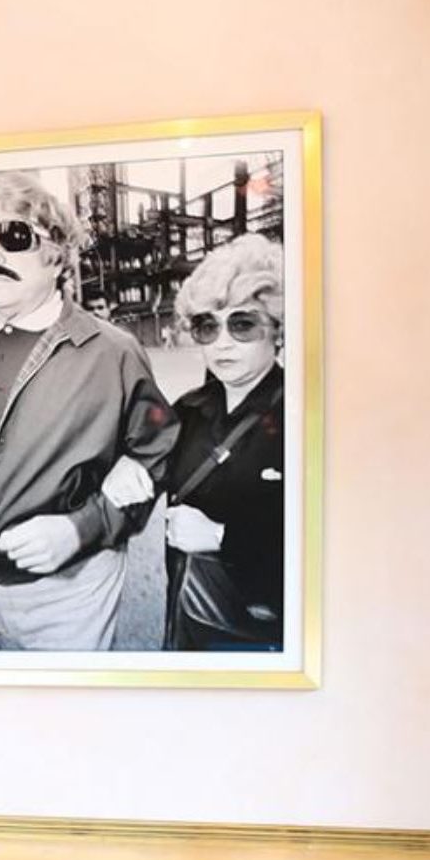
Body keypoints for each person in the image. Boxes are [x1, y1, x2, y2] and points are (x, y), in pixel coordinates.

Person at [0, 171, 177, 651]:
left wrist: (82, 529)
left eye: (14, 236)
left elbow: (157, 454)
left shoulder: (111, 352)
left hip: (70, 591)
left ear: (57, 256)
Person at [158, 233, 289, 653]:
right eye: (207, 326)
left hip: (269, 632)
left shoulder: (305, 415)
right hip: (190, 613)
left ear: (277, 331)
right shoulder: (187, 411)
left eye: (243, 323)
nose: (223, 341)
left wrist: (221, 536)